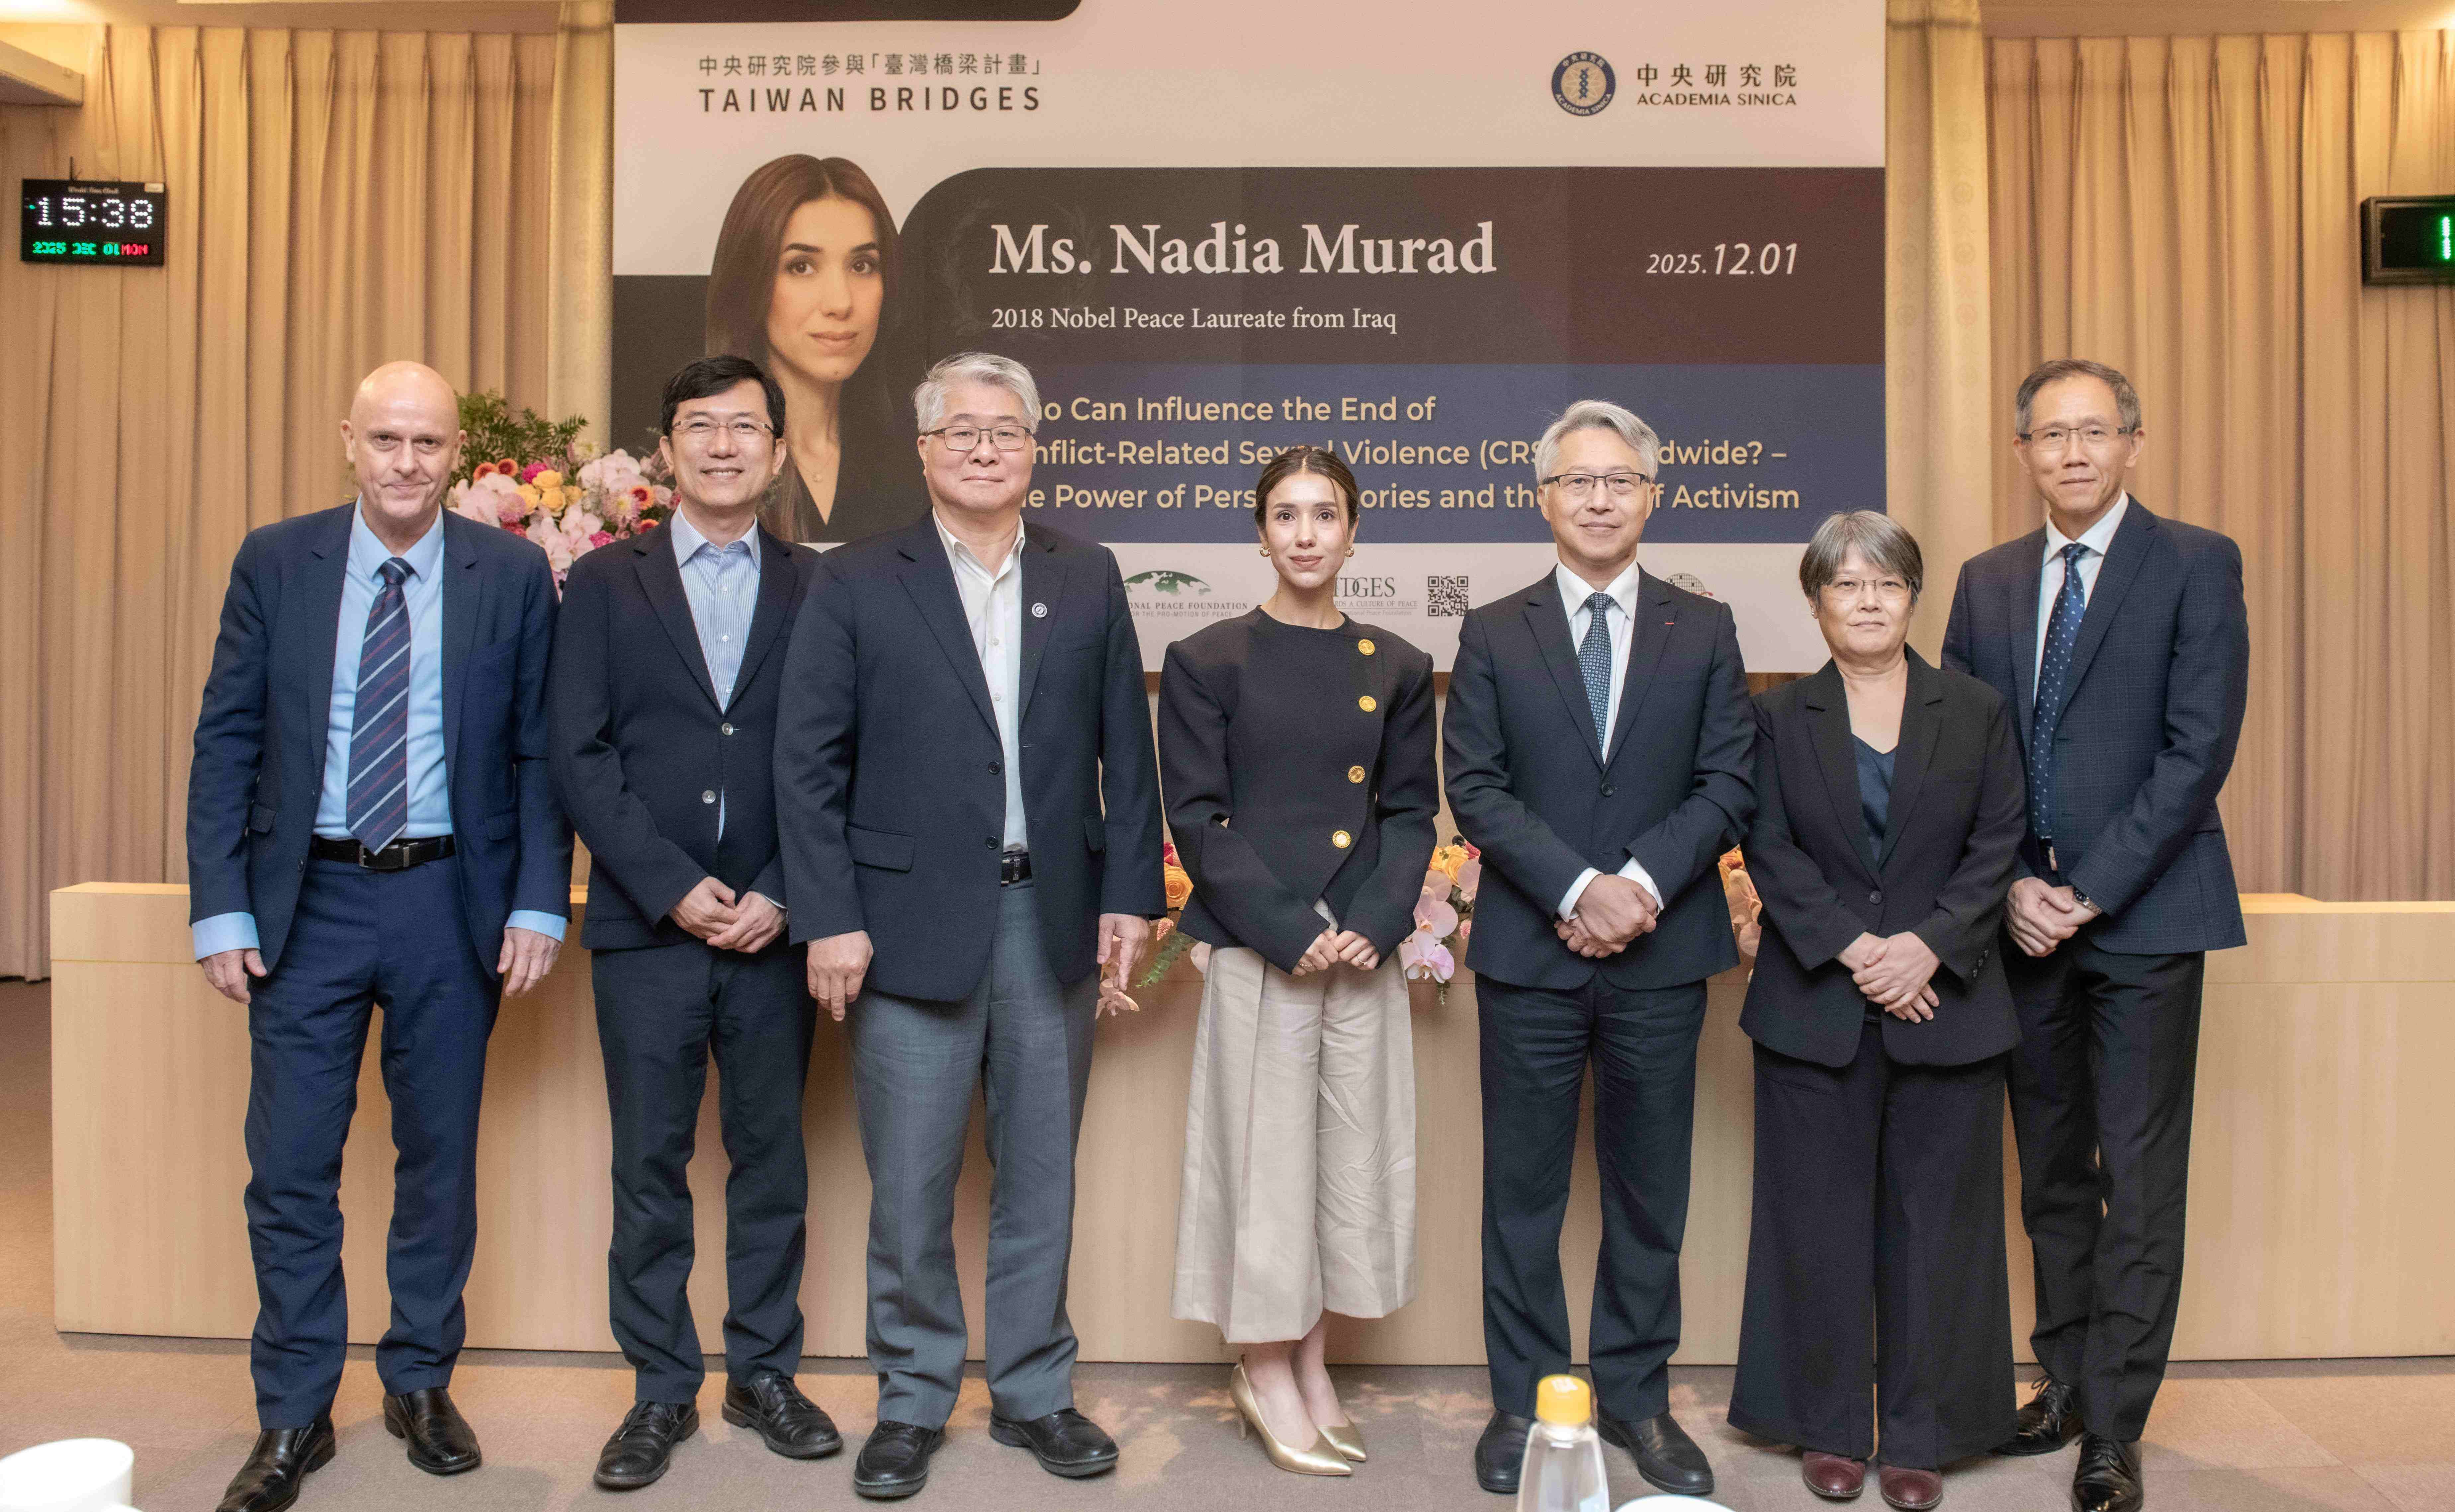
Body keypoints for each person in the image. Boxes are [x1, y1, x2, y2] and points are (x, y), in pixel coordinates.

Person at [773, 351, 1166, 1500]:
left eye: (1007, 431)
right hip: (900, 927)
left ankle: (1036, 1391)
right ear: (924, 449)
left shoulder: (1087, 574)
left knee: (1041, 1174)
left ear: (1036, 448)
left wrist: (1131, 894)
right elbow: (807, 764)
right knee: (910, 1183)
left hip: (1050, 914)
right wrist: (829, 917)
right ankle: (911, 1397)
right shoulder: (856, 580)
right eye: (962, 431)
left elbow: (1126, 751)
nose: (985, 449)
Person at [186, 361, 572, 1512]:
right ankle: (294, 1409)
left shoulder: (511, 572)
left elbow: (538, 750)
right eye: (387, 439)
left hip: (449, 901)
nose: (407, 463)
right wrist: (221, 904)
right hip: (304, 903)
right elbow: (227, 739)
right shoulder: (277, 560)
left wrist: (539, 899)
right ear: (348, 442)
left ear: (458, 455)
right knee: (291, 1165)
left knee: (437, 1160)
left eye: (428, 443)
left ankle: (418, 1380)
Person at [1942, 359, 2249, 1512]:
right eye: (2049, 434)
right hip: (2023, 928)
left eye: (2093, 431)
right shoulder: (1985, 581)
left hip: (2146, 918)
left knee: (2140, 1172)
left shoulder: (2195, 562)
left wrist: (2090, 887)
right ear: (2021, 451)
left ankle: (2114, 1428)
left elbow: (2197, 747)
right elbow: (1966, 753)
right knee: (2050, 1173)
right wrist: (2014, 884)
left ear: (2132, 442)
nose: (2071, 452)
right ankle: (2064, 1379)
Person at [1442, 399, 1754, 1500]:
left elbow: (1729, 780)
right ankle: (1528, 1398)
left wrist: (1638, 889)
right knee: (1522, 1196)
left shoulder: (1703, 627)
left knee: (1648, 1192)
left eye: (1620, 480)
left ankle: (1634, 1395)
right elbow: (1475, 785)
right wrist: (1579, 889)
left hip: (1662, 956)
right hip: (1533, 953)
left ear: (1652, 496)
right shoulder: (1495, 629)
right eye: (1578, 480)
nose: (1599, 498)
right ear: (1544, 499)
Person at [548, 355, 833, 1490]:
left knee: (771, 1161)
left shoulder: (820, 586)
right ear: (666, 449)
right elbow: (579, 751)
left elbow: (844, 752)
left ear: (777, 450)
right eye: (700, 427)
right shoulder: (603, 583)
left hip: (774, 924)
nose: (723, 445)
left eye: (745, 427)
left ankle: (764, 1373)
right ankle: (660, 1387)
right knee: (648, 1165)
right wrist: (666, 882)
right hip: (647, 927)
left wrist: (784, 885)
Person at [1727, 511, 2028, 1511]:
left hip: (1947, 1001)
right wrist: (1857, 949)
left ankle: (1919, 1433)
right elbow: (1768, 845)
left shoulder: (1975, 710)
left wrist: (1926, 945)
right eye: (1846, 585)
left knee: (1936, 1227)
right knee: (1814, 1224)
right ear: (1815, 603)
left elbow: (1999, 840)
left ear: (1912, 597)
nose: (1867, 602)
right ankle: (1825, 1426)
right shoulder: (1776, 716)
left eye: (1886, 584)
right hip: (1816, 1003)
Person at [1159, 446, 1439, 1478]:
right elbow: (1197, 817)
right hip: (1261, 941)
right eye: (1287, 514)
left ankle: (1314, 1361)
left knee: (1349, 1162)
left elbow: (1411, 811)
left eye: (1326, 514)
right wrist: (1287, 925)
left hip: (1359, 943)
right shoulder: (1207, 657)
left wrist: (1379, 915)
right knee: (1264, 1162)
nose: (1307, 532)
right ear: (1261, 532)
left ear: (1354, 533)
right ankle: (1264, 1364)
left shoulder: (1397, 663)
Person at [705, 153, 921, 543]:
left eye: (862, 266)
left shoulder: (916, 470)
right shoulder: (687, 465)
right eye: (802, 267)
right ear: (750, 282)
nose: (840, 303)